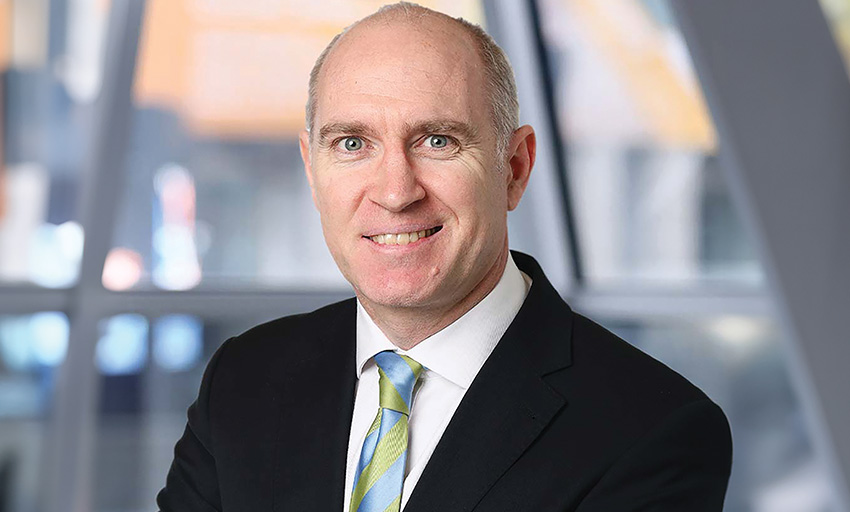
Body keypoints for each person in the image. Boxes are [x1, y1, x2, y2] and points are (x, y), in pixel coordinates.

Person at [157, 3, 732, 511]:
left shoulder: (651, 431)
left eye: (437, 141)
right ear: (312, 170)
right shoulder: (245, 381)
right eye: (353, 143)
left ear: (514, 169)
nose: (395, 192)